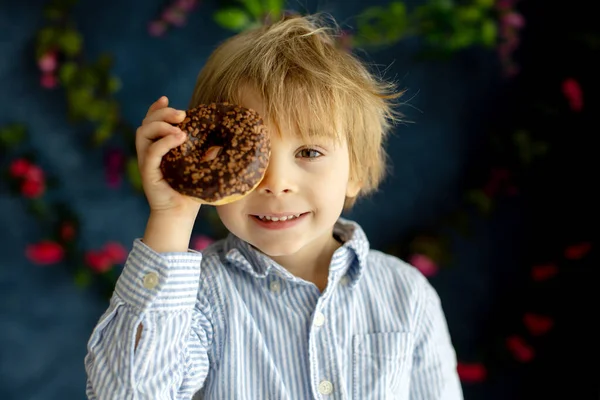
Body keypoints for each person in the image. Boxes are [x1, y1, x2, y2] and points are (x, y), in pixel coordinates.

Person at [84, 13, 463, 400]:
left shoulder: (406, 296)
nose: (276, 183)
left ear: (357, 170)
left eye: (309, 151)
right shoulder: (199, 300)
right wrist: (173, 216)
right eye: (251, 156)